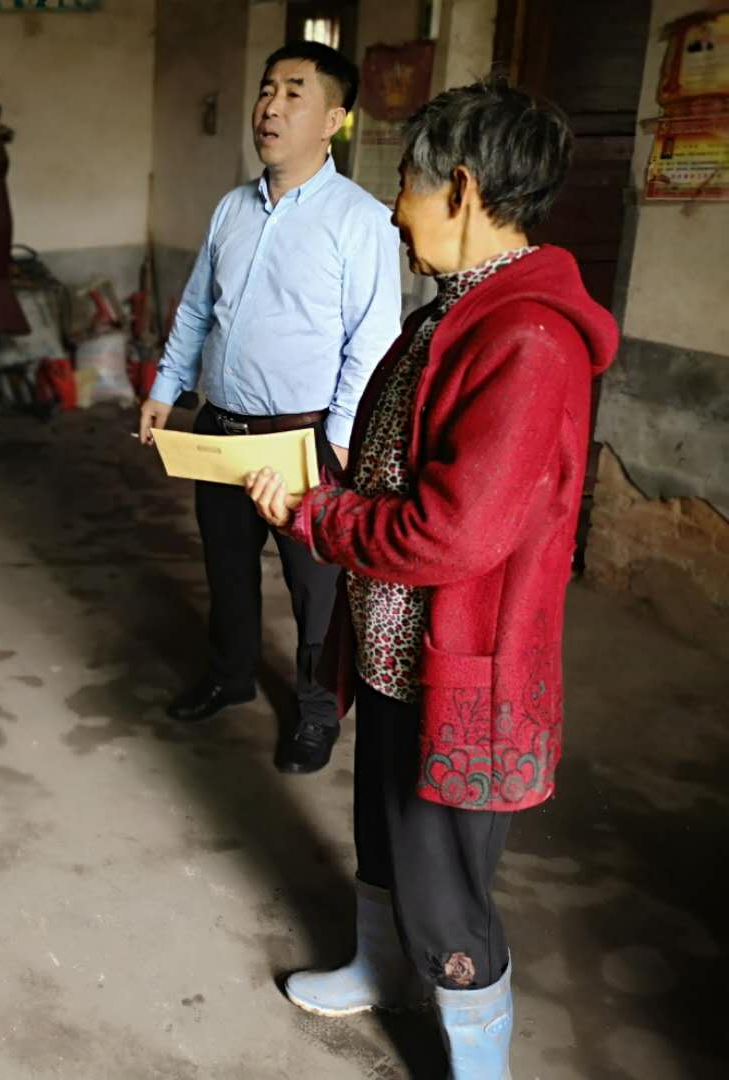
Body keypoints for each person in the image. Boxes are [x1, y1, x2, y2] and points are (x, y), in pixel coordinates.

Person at [247, 80, 617, 1078]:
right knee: (383, 833)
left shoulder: (528, 340)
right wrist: (320, 486)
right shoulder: (450, 314)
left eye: (405, 185)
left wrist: (319, 517)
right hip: (394, 647)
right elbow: (395, 468)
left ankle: (479, 1059)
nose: (395, 210)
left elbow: (455, 531)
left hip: (461, 667)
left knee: (445, 886)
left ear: (459, 188)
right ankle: (379, 969)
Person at [139, 41, 401, 773]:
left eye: (293, 93)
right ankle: (229, 675)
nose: (270, 108)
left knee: (316, 589)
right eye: (266, 90)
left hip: (303, 441)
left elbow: (372, 340)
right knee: (226, 568)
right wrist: (165, 388)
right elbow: (198, 310)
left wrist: (338, 442)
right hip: (220, 430)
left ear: (333, 120)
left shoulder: (361, 220)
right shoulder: (232, 208)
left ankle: (317, 713)